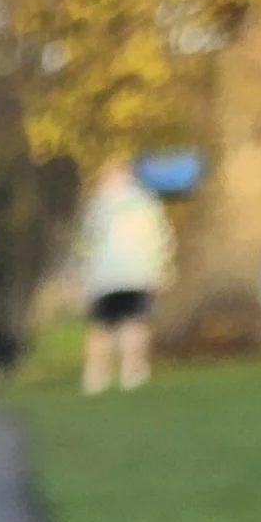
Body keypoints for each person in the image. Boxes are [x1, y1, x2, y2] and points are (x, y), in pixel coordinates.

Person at [77, 160, 171, 392]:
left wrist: (82, 273)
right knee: (134, 323)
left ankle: (95, 376)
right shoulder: (146, 202)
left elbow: (86, 241)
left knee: (101, 327)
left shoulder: (98, 204)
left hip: (104, 276)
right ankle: (133, 373)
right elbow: (160, 238)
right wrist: (160, 268)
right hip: (137, 273)